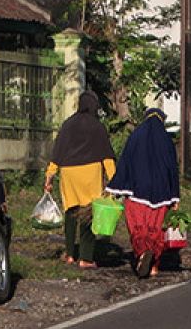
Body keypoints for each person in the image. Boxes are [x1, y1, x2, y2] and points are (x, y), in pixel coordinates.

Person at [44, 91, 116, 269]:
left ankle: (69, 254)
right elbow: (107, 157)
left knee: (71, 210)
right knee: (88, 213)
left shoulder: (68, 125)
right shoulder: (97, 126)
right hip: (90, 173)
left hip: (69, 173)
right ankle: (85, 257)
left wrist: (49, 177)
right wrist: (114, 181)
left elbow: (57, 153)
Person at [106, 108, 180, 278]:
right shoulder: (166, 140)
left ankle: (142, 253)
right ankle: (154, 265)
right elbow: (172, 170)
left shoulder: (136, 137)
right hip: (161, 193)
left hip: (136, 191)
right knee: (156, 229)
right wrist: (175, 196)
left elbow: (125, 162)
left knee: (138, 227)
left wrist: (114, 187)